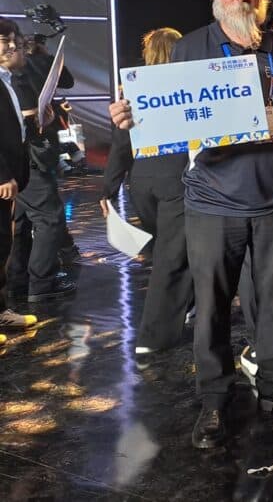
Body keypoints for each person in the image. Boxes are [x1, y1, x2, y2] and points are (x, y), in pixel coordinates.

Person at [109, 0, 273, 449]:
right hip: (213, 199)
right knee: (213, 305)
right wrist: (133, 117)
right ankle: (215, 396)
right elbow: (166, 114)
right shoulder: (191, 48)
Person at [100, 27, 192, 362]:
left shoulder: (133, 89)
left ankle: (189, 305)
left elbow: (120, 143)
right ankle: (155, 334)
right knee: (172, 256)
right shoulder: (188, 87)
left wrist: (108, 189)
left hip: (142, 184)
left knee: (171, 250)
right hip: (177, 181)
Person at [8, 21, 77, 302]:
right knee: (49, 218)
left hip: (25, 160)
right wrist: (33, 117)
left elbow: (66, 80)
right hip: (25, 158)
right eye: (9, 44)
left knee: (22, 223)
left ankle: (19, 281)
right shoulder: (12, 78)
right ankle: (42, 281)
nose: (14, 48)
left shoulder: (24, 71)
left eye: (17, 43)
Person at [0, 18, 37, 339]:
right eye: (4, 40)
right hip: (3, 178)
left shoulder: (6, 80)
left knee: (3, 244)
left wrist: (38, 124)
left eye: (14, 39)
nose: (12, 46)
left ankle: (1, 312)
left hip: (12, 178)